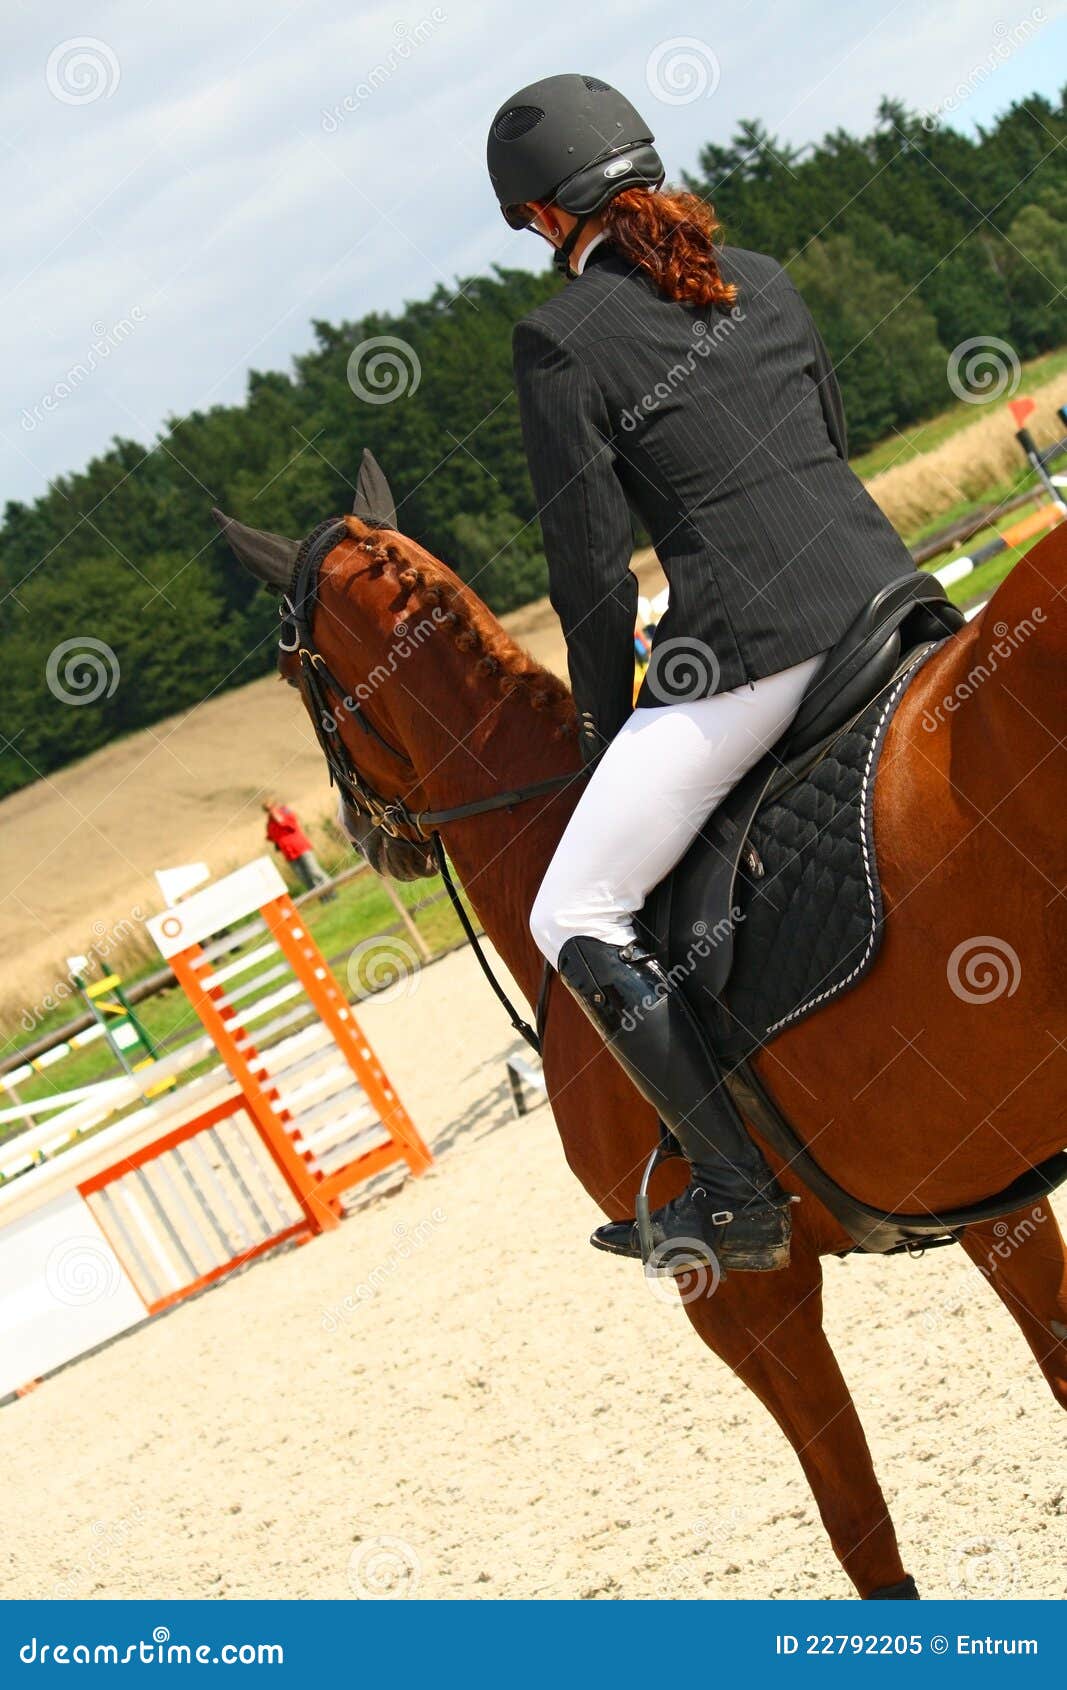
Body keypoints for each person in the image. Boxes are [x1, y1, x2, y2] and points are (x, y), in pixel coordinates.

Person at [487, 74, 919, 1277]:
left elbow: (592, 580)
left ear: (536, 218)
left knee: (568, 910)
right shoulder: (761, 277)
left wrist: (599, 735)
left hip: (758, 653)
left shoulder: (558, 341)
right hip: (891, 599)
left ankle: (733, 1191)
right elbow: (824, 444)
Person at [262, 799, 333, 897]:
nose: (269, 811)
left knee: (314, 871)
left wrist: (276, 814)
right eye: (267, 810)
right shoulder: (269, 824)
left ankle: (331, 891)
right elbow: (270, 837)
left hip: (301, 848)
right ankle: (323, 898)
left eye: (271, 808)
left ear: (276, 805)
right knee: (305, 878)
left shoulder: (286, 812)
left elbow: (287, 822)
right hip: (289, 855)